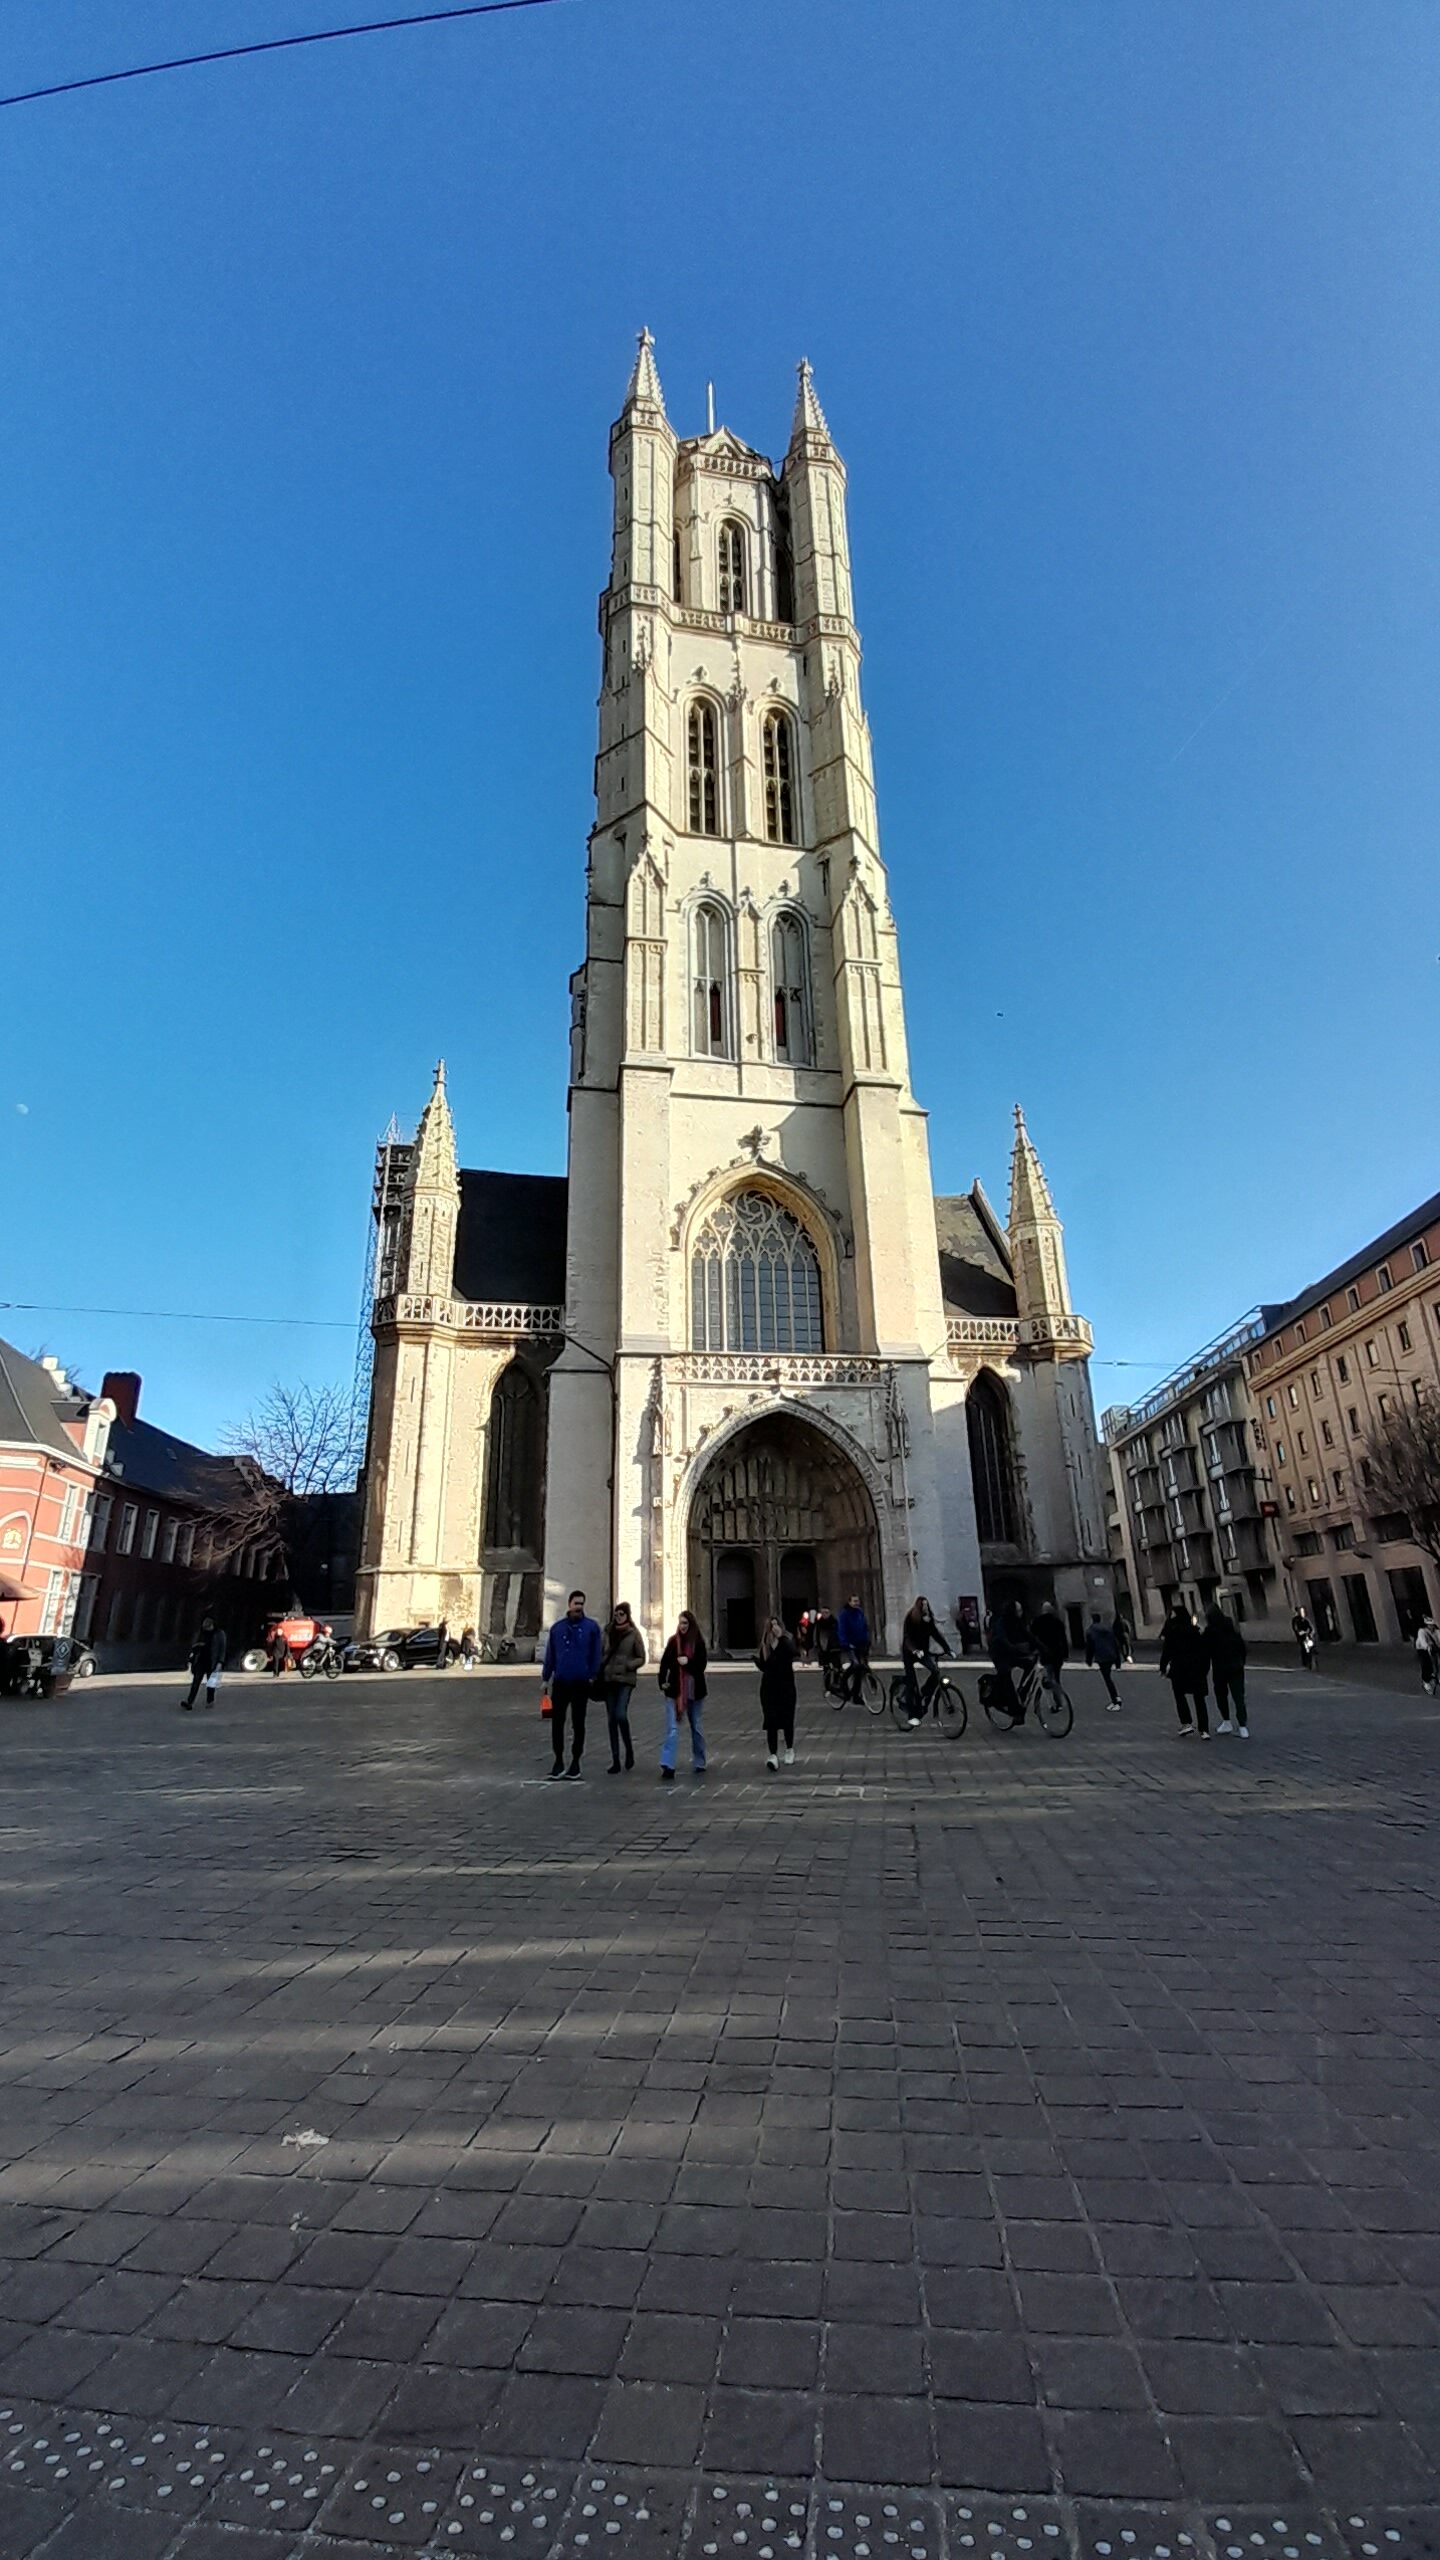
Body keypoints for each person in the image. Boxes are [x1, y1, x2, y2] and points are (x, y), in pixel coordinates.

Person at [541, 1590, 602, 1778]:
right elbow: (550, 1654)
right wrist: (546, 1677)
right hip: (560, 1681)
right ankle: (558, 1760)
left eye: (582, 1604)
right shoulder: (557, 1629)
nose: (579, 1607)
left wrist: (592, 1675)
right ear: (569, 1604)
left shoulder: (591, 1628)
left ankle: (576, 1761)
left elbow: (596, 1653)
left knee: (578, 1723)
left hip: (580, 1682)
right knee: (557, 1723)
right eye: (576, 1603)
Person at [657, 1610, 708, 1781]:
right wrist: (662, 1682)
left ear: (691, 1624)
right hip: (674, 1691)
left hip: (694, 1691)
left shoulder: (698, 1643)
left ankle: (700, 1760)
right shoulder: (673, 1642)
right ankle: (668, 1764)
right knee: (672, 1729)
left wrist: (689, 1663)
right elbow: (664, 1664)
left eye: (685, 1623)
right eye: (680, 1623)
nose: (682, 1626)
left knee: (696, 1727)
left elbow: (701, 1666)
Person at [601, 1601, 645, 1772]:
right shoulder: (607, 1632)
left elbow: (642, 1657)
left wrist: (629, 1665)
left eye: (622, 1614)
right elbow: (601, 1652)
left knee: (620, 1714)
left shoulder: (633, 1634)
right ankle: (615, 1760)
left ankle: (629, 1750)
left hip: (626, 1680)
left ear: (627, 1616)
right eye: (616, 1614)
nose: (618, 1617)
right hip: (609, 1678)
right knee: (611, 1719)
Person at [1159, 1599, 1210, 1738]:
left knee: (1179, 1695)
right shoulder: (1195, 1631)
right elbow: (1204, 1651)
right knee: (1199, 1699)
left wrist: (1163, 1668)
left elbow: (1166, 1652)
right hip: (1197, 1669)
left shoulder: (1173, 1631)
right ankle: (1204, 1729)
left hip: (1179, 1669)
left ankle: (1186, 1723)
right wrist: (1205, 1668)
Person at [900, 1596, 950, 1724]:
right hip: (910, 1653)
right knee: (911, 1682)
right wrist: (914, 1650)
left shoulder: (927, 1619)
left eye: (927, 1605)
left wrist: (947, 1649)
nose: (925, 1608)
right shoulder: (911, 1617)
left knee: (935, 1672)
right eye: (923, 1605)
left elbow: (935, 1634)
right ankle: (912, 1715)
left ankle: (925, 1692)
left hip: (923, 1652)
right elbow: (907, 1638)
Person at [756, 1617, 797, 1769]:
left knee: (787, 1719)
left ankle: (789, 1750)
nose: (774, 1628)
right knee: (771, 1721)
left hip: (786, 1687)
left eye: (776, 1625)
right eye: (771, 1626)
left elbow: (794, 1653)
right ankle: (772, 1754)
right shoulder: (765, 1645)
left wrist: (781, 1638)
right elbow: (765, 1665)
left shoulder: (787, 1641)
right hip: (769, 1687)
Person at [1205, 1602, 1249, 1737]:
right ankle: (1243, 1727)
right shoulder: (1231, 1628)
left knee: (1221, 1695)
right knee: (1238, 1696)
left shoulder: (1210, 1631)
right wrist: (1241, 1662)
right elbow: (1242, 1647)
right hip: (1236, 1666)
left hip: (1220, 1668)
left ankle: (1226, 1721)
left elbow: (1205, 1651)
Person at [990, 1598, 1036, 1727]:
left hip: (1011, 1653)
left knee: (1030, 1665)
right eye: (1019, 1610)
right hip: (999, 1653)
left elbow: (1029, 1636)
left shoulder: (1017, 1623)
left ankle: (1022, 1691)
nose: (1021, 1612)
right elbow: (1002, 1638)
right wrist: (1012, 1647)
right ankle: (1014, 1710)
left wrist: (1043, 1648)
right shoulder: (1001, 1622)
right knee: (1005, 1674)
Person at [184, 1616, 227, 1711]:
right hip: (200, 1661)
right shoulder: (200, 1633)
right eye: (205, 1628)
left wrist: (220, 1662)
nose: (206, 1630)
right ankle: (189, 1702)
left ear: (212, 1625)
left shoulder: (219, 1634)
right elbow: (193, 1644)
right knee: (195, 1682)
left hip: (213, 1662)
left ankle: (210, 1700)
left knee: (211, 1683)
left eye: (208, 1628)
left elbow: (222, 1649)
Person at [835, 1593, 870, 1702]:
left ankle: (856, 1695)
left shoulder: (860, 1612)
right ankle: (842, 1683)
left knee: (859, 1670)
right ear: (849, 1602)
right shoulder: (844, 1614)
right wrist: (845, 1643)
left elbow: (864, 1627)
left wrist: (867, 1640)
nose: (856, 1603)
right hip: (849, 1645)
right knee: (856, 1665)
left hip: (860, 1644)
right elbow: (841, 1630)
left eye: (857, 1601)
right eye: (854, 1601)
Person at [1083, 1610, 1122, 1709]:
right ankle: (1115, 1700)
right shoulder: (1108, 1629)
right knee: (1108, 1678)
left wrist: (1088, 1660)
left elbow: (1090, 1647)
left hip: (1102, 1657)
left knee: (1107, 1679)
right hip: (1111, 1655)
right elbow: (1115, 1644)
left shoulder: (1091, 1631)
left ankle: (1116, 1700)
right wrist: (1118, 1661)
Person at [1414, 1615, 1440, 1698]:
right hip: (1422, 1649)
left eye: (1432, 1625)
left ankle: (1437, 1676)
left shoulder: (1437, 1631)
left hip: (1434, 1647)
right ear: (1426, 1625)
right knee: (1426, 1664)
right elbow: (1422, 1641)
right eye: (1429, 1625)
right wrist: (1427, 1647)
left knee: (1437, 1663)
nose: (1431, 1626)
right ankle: (1426, 1682)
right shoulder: (1422, 1631)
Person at [1291, 1606, 1317, 1670]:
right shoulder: (1296, 1620)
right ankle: (1305, 1662)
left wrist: (1311, 1632)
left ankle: (1312, 1657)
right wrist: (1300, 1632)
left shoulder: (1305, 1620)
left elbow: (1310, 1627)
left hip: (1307, 1636)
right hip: (1301, 1637)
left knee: (1311, 1645)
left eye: (1303, 1612)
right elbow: (1295, 1628)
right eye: (1301, 1612)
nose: (1303, 1613)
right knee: (1303, 1648)